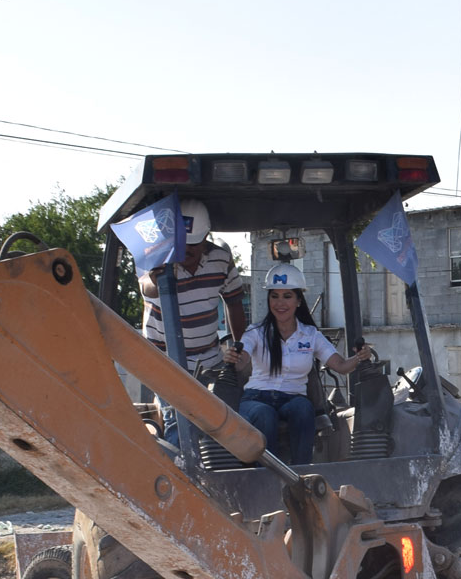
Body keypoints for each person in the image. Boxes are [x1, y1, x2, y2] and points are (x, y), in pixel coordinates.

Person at [231, 263, 373, 466]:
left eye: (287, 296)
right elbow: (241, 358)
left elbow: (341, 365)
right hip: (256, 398)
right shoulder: (255, 332)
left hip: (292, 399)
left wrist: (360, 357)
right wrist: (234, 357)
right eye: (274, 296)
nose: (280, 303)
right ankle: (266, 475)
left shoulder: (311, 335)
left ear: (298, 300)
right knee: (265, 414)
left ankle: (301, 474)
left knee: (304, 408)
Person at [136, 199, 247, 375]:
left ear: (206, 236)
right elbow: (147, 287)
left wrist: (240, 346)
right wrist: (157, 279)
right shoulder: (156, 258)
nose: (186, 249)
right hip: (163, 362)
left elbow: (234, 303)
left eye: (193, 243)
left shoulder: (221, 259)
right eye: (181, 242)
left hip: (210, 362)